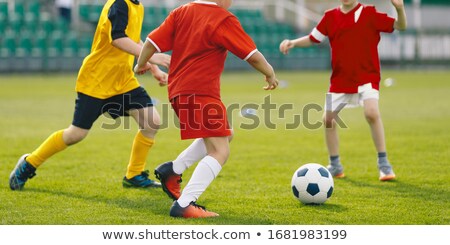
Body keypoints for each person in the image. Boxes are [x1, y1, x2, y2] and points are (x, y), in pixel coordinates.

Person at [135, 0, 279, 218]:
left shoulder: (181, 12)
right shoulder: (222, 18)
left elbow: (150, 42)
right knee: (220, 150)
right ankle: (184, 204)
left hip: (179, 91)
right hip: (200, 93)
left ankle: (173, 170)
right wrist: (269, 73)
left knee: (226, 134)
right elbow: (252, 55)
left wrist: (140, 64)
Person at [9, 0, 171, 191]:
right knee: (76, 134)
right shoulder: (119, 3)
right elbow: (117, 38)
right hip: (97, 80)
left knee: (151, 121)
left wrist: (153, 69)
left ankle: (134, 174)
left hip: (122, 80)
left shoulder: (137, 5)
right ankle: (29, 163)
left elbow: (134, 39)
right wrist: (153, 57)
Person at [280, 0, 407, 181]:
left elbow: (400, 26)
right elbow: (313, 38)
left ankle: (384, 165)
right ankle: (335, 165)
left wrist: (399, 8)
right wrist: (293, 42)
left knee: (371, 113)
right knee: (328, 119)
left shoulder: (369, 14)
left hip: (367, 77)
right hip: (340, 80)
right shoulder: (330, 16)